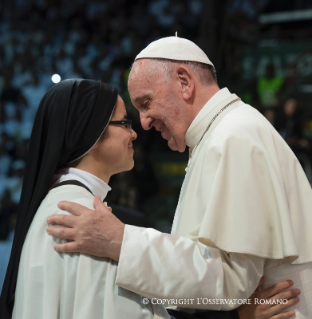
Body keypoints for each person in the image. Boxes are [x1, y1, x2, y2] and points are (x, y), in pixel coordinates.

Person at [46, 38, 310, 318]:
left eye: (146, 103)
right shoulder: (221, 133)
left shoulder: (233, 136)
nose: (144, 122)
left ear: (184, 82)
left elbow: (230, 283)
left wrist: (121, 242)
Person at [0, 79, 174, 319]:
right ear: (91, 132)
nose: (134, 133)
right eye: (125, 122)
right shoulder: (82, 217)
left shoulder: (58, 203)